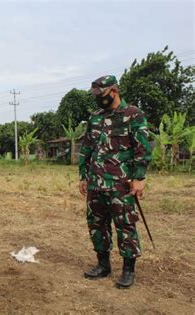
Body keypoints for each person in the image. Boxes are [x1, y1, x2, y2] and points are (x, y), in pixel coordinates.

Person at [79, 75, 152, 289]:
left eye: (100, 95)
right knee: (96, 224)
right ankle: (103, 265)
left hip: (121, 184)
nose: (98, 99)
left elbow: (143, 148)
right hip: (95, 182)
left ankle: (128, 270)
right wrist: (83, 176)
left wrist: (139, 178)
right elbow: (86, 148)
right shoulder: (95, 117)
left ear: (114, 91)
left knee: (125, 225)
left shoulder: (133, 115)